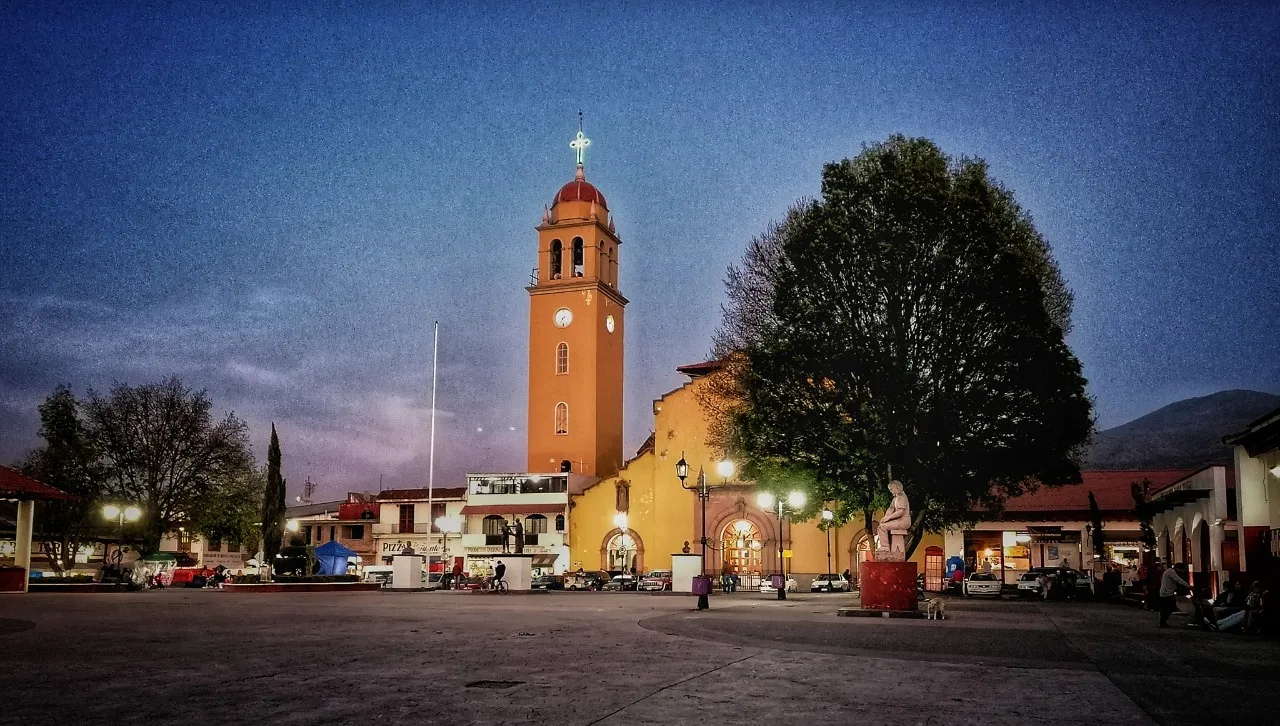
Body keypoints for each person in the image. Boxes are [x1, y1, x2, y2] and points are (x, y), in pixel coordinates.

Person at [1158, 562, 1190, 628]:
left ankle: (1163, 621)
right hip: (1167, 593)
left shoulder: (1169, 571)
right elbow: (1178, 580)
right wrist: (1188, 586)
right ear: (1177, 568)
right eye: (1180, 569)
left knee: (1167, 607)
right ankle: (1163, 622)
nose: (1180, 571)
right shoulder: (1171, 572)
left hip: (1166, 592)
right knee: (1169, 607)